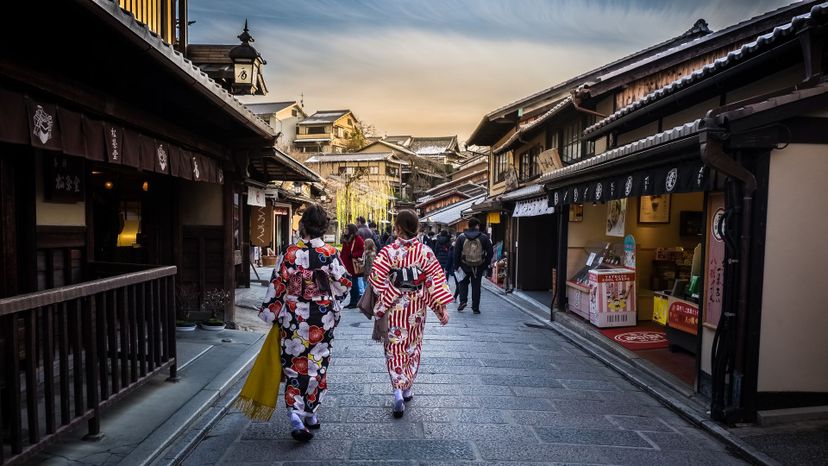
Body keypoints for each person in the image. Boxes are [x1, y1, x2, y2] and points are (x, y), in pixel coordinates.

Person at [258, 205, 351, 442]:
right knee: (318, 364)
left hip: (293, 317)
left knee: (294, 364)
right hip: (322, 317)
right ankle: (311, 412)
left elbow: (278, 285)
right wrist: (331, 295)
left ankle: (296, 414)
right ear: (323, 227)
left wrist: (271, 313)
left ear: (303, 226)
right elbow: (344, 283)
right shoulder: (330, 253)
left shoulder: (289, 253)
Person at [369, 209, 452, 418]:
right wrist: (440, 309)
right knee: (412, 347)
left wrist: (391, 289)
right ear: (417, 228)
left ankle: (397, 389)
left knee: (394, 347)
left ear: (397, 228)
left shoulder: (387, 252)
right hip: (416, 306)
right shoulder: (426, 253)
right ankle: (406, 387)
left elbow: (376, 280)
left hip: (394, 305)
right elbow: (434, 282)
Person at [453, 217, 493, 314]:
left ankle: (463, 301)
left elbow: (456, 253)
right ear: (477, 226)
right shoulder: (484, 237)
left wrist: (456, 265)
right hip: (478, 266)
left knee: (462, 283)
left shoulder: (461, 237)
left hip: (464, 265)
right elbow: (490, 252)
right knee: (476, 286)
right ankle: (475, 308)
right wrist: (485, 264)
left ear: (469, 225)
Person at [340, 223, 365, 309]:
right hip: (346, 264)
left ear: (351, 230)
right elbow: (343, 251)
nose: (346, 230)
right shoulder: (346, 239)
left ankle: (355, 302)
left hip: (353, 265)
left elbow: (362, 250)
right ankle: (352, 301)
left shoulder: (357, 239)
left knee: (354, 284)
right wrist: (340, 261)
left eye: (347, 228)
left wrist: (354, 254)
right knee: (350, 284)